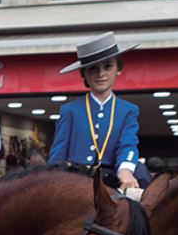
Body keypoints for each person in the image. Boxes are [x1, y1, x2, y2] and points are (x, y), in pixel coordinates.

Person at [47, 32, 141, 191]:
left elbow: (128, 144)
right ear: (84, 73)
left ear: (119, 68)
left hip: (113, 179)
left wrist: (125, 171)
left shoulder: (128, 110)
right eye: (93, 69)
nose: (101, 74)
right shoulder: (69, 110)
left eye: (108, 66)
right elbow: (58, 154)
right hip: (74, 181)